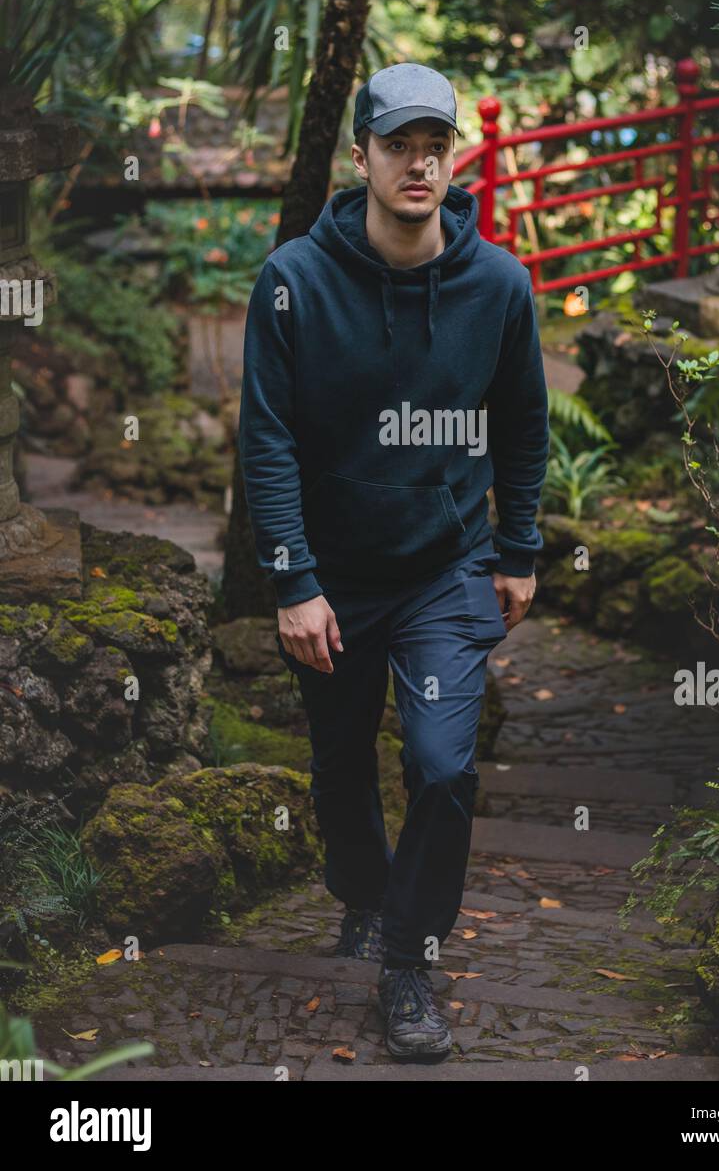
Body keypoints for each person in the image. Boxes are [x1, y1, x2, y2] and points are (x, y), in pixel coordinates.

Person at [238, 62, 549, 1061]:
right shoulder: (292, 282)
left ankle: (407, 959)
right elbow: (268, 439)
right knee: (338, 769)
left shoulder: (497, 285)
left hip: (445, 569)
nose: (419, 163)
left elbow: (524, 429)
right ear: (361, 154)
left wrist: (519, 550)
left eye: (435, 146)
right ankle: (367, 897)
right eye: (399, 144)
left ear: (450, 157)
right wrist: (293, 581)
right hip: (331, 572)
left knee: (440, 763)